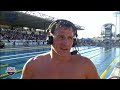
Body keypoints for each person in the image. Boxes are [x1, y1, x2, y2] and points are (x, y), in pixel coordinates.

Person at [21, 19, 100, 79]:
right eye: (61, 37)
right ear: (50, 38)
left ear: (74, 41)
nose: (66, 43)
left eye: (70, 38)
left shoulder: (86, 65)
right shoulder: (32, 65)